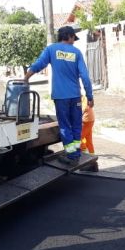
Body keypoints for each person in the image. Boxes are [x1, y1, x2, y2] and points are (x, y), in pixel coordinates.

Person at [24, 26, 93, 165]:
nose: (74, 41)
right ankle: (76, 153)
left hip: (61, 97)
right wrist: (89, 96)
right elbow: (85, 77)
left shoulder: (51, 49)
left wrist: (26, 78)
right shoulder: (77, 53)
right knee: (76, 125)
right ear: (69, 36)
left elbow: (38, 64)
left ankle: (72, 156)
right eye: (74, 37)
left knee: (65, 126)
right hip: (75, 96)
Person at [80, 94, 99, 172]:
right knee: (88, 139)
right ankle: (92, 158)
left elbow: (83, 109)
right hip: (90, 119)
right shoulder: (84, 97)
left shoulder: (81, 99)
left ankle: (84, 159)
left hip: (86, 120)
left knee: (80, 138)